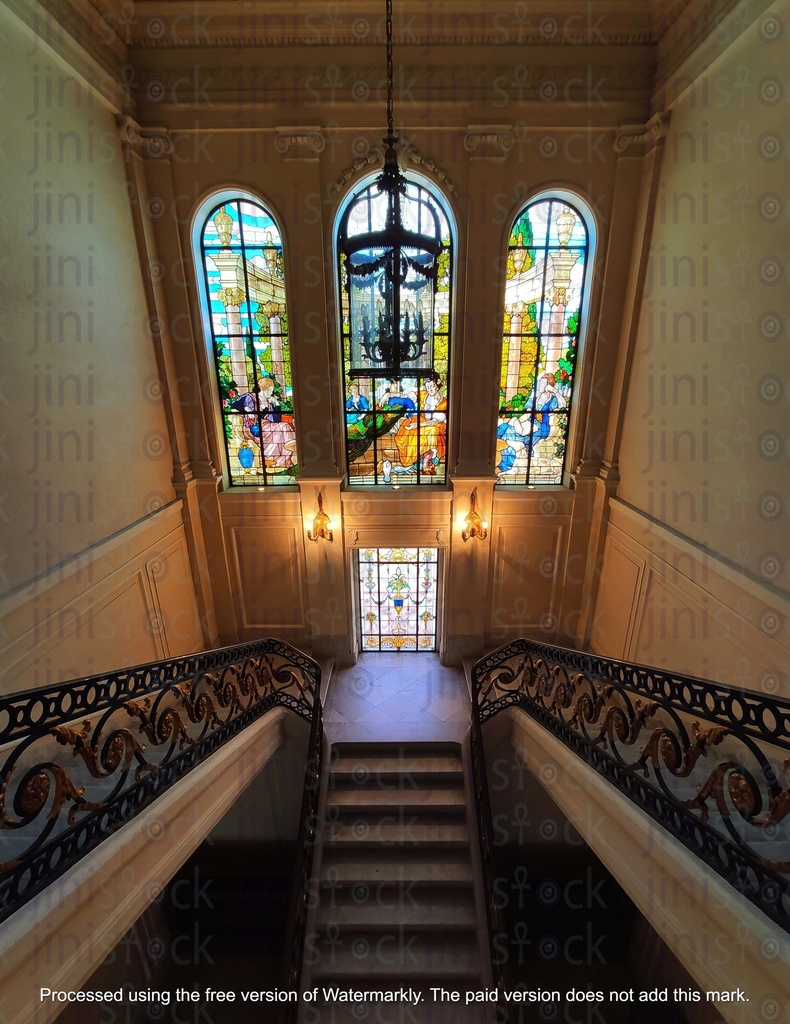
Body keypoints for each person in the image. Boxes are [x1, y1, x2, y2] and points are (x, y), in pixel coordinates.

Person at [232, 378, 296, 469]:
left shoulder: (269, 403)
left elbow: (276, 421)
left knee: (280, 427)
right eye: (270, 391)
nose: (271, 394)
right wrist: (247, 409)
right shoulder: (251, 397)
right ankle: (275, 453)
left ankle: (282, 461)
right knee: (283, 426)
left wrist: (277, 405)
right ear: (263, 389)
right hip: (255, 427)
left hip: (269, 426)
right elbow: (234, 404)